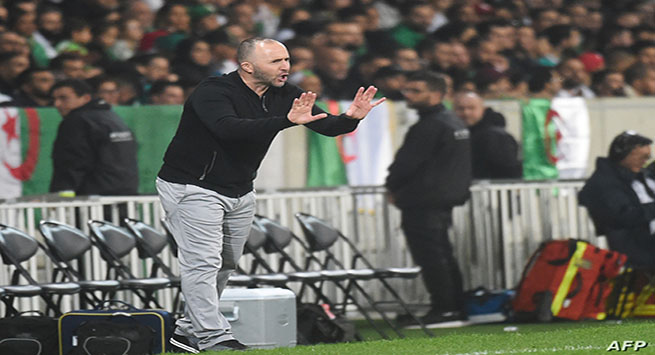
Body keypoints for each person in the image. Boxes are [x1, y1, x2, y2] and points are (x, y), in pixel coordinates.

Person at [156, 37, 384, 352]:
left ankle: (185, 333)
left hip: (239, 189)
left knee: (224, 263)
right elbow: (228, 128)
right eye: (276, 61)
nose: (286, 66)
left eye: (287, 59)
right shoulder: (213, 91)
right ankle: (213, 337)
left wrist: (351, 118)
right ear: (247, 66)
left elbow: (324, 125)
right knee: (203, 263)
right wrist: (284, 121)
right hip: (193, 186)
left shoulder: (285, 94)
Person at [386, 70, 471, 328]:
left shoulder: (430, 126)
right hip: (441, 198)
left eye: (415, 90)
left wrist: (392, 186)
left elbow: (406, 164)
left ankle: (445, 308)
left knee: (432, 255)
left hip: (423, 200)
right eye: (406, 90)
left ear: (435, 94)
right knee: (442, 253)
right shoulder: (453, 122)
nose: (407, 95)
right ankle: (454, 306)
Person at [578, 131, 655, 269]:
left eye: (648, 157)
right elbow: (624, 216)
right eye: (642, 157)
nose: (645, 162)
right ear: (624, 156)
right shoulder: (605, 183)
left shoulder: (636, 175)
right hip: (635, 252)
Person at [49, 79, 138, 196]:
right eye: (54, 99)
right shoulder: (112, 118)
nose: (57, 104)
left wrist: (62, 193)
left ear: (85, 98)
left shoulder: (76, 120)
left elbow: (72, 161)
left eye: (63, 98)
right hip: (126, 195)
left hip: (91, 200)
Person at [453, 91, 522, 179]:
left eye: (471, 108)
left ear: (483, 109)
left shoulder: (496, 136)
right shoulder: (455, 134)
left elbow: (509, 170)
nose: (466, 112)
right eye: (460, 109)